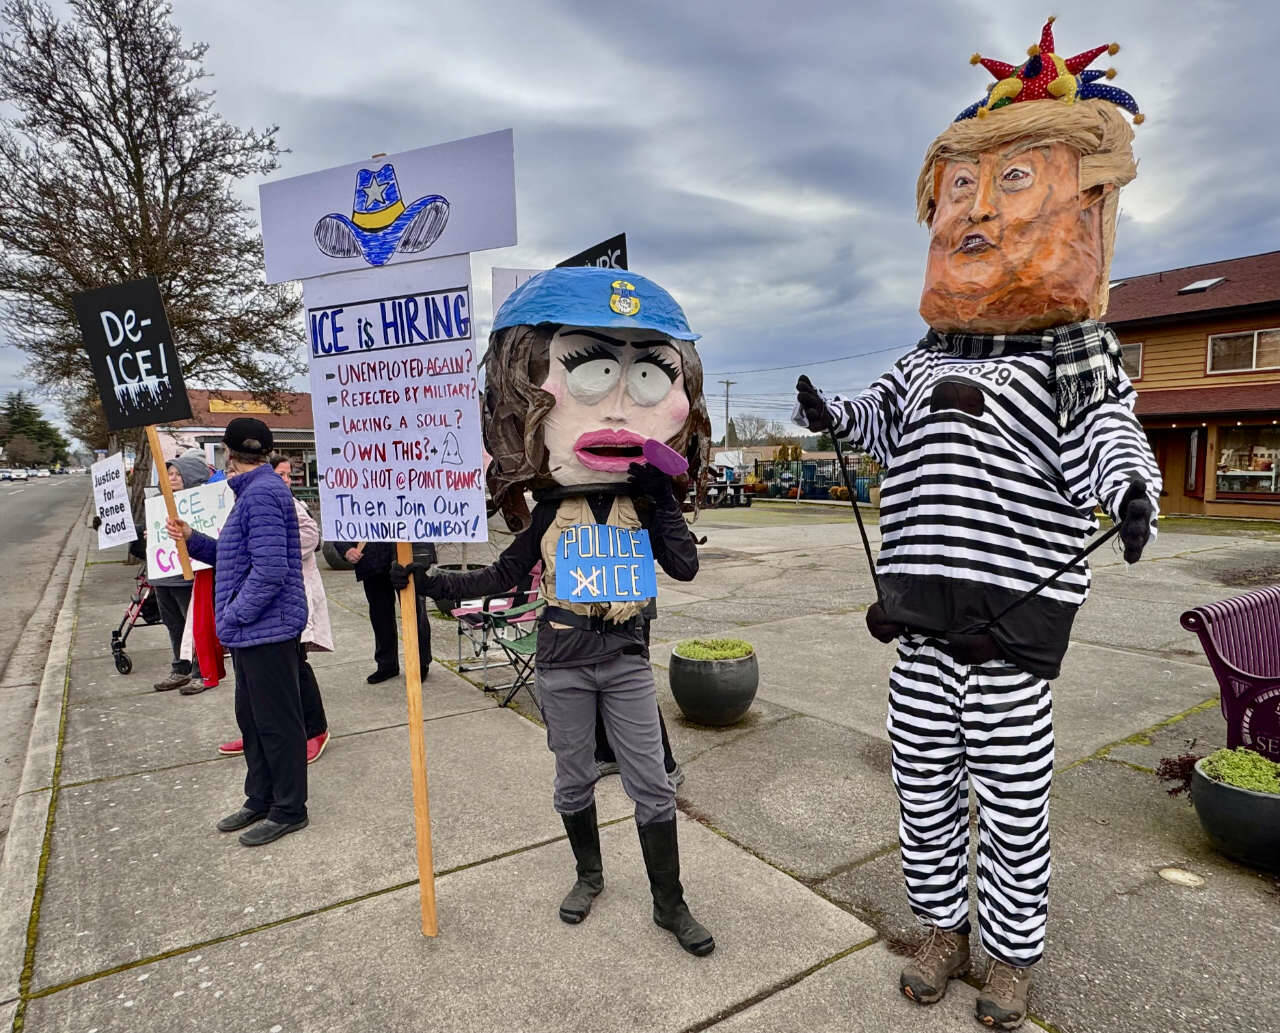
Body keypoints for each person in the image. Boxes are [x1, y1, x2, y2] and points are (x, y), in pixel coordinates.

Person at [793, 20, 1158, 1029]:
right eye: (963, 189)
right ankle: (941, 927)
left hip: (1015, 616)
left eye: (1009, 184)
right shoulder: (920, 357)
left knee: (1008, 791)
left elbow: (1107, 438)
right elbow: (874, 418)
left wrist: (1130, 492)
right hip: (916, 614)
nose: (977, 212)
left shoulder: (1072, 356)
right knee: (920, 779)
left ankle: (1010, 954)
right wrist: (831, 412)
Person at [393, 267, 716, 955]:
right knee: (572, 778)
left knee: (651, 786)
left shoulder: (644, 504)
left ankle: (671, 902)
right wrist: (426, 582)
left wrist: (663, 495)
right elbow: (501, 576)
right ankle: (589, 875)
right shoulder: (548, 511)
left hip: (624, 659)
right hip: (562, 661)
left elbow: (684, 566)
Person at [168, 418, 310, 847]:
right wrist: (193, 539)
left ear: (227, 453)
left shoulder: (264, 494)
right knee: (252, 719)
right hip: (253, 630)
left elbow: (269, 572)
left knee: (277, 723)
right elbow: (236, 558)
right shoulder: (251, 493)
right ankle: (260, 797)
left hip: (267, 629)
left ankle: (289, 808)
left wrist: (231, 616)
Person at [217, 455, 331, 764]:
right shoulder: (247, 499)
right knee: (256, 684)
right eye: (281, 474)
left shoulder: (280, 502)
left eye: (287, 476)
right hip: (258, 605)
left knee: (296, 665)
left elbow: (310, 537)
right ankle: (255, 730)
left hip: (283, 599)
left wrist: (276, 549)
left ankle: (314, 729)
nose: (285, 480)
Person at [330, 539, 432, 683]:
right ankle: (387, 664)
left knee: (414, 611)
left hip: (408, 554)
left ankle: (420, 662)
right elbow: (339, 518)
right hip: (371, 558)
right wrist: (345, 548)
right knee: (380, 614)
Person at [150, 449, 210, 694]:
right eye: (169, 473)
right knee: (173, 624)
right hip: (163, 575)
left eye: (177, 474)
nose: (172, 478)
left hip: (189, 577)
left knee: (195, 626)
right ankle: (181, 668)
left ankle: (201, 671)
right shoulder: (156, 502)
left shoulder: (203, 504)